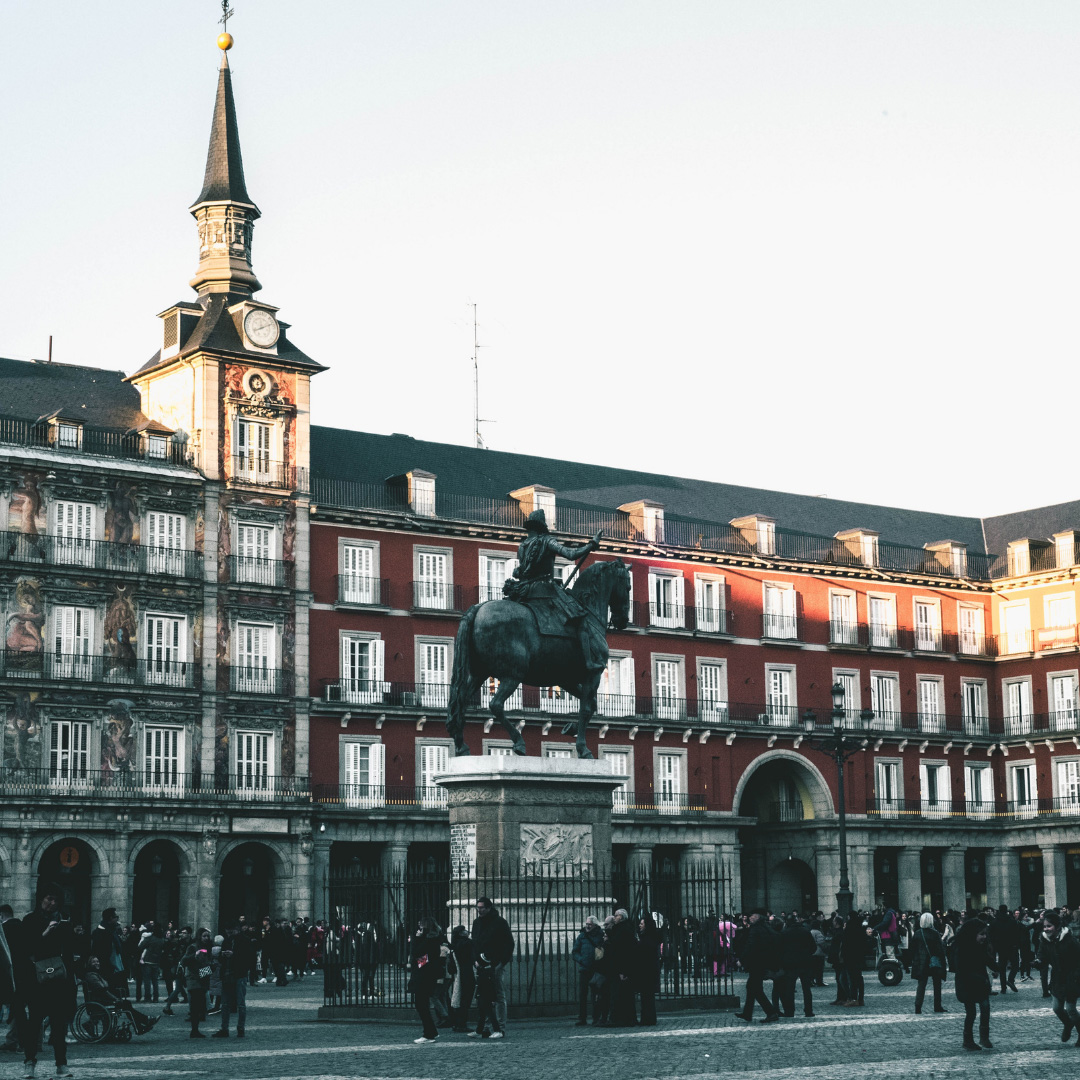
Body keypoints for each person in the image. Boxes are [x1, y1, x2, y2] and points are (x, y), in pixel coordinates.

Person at [502, 509, 605, 675]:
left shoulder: (522, 546)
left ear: (530, 527)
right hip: (545, 590)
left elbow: (521, 570)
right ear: (542, 526)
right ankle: (589, 662)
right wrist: (592, 544)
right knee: (580, 619)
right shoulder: (548, 541)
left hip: (525, 591)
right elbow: (571, 555)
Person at [23, 889, 76, 1078]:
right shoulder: (30, 920)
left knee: (58, 1024)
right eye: (49, 899)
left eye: (56, 900)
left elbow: (70, 952)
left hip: (58, 981)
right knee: (34, 1023)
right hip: (37, 981)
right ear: (41, 899)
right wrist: (45, 932)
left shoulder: (64, 922)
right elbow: (26, 948)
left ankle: (62, 1065)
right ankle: (29, 1062)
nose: (52, 903)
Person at [0, 905, 36, 1077]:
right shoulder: (23, 927)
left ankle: (14, 1041)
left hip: (8, 975)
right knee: (21, 1011)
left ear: (1, 915)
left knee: (13, 1010)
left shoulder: (4, 929)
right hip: (26, 974)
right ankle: (26, 1043)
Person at [471, 897, 514, 1036]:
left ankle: (500, 1027)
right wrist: (475, 960)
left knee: (498, 995)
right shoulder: (476, 923)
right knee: (484, 997)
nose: (479, 910)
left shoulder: (500, 922)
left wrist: (501, 963)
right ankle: (485, 1027)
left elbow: (508, 944)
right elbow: (475, 944)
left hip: (495, 964)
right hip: (480, 965)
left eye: (482, 907)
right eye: (478, 907)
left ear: (489, 908)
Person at [82, 956, 158, 1035]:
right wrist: (115, 999)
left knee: (126, 1003)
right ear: (89, 964)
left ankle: (140, 1025)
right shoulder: (91, 975)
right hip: (99, 1001)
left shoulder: (95, 974)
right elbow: (102, 990)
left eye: (97, 961)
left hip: (101, 1000)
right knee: (125, 1004)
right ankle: (143, 1022)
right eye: (94, 962)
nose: (97, 963)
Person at [954, 916, 993, 1051]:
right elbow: (963, 970)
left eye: (985, 934)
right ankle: (968, 1040)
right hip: (967, 985)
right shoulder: (963, 949)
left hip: (980, 984)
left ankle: (984, 1037)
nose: (984, 937)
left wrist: (997, 967)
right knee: (971, 1013)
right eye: (981, 934)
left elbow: (987, 960)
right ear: (972, 934)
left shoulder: (980, 946)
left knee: (985, 1007)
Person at [735, 909, 780, 1023]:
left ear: (759, 917)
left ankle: (771, 1012)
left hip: (757, 963)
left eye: (753, 915)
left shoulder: (756, 929)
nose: (750, 917)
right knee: (751, 987)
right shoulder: (766, 928)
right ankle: (747, 1013)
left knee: (755, 989)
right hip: (762, 962)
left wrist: (742, 960)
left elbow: (751, 946)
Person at [1043, 910, 1080, 1045]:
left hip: (1072, 978)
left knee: (1071, 1009)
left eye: (1049, 926)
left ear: (1057, 927)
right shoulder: (1045, 940)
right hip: (1057, 978)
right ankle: (1068, 1024)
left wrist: (1076, 975)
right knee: (1057, 1008)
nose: (1046, 929)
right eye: (1045, 926)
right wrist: (1038, 962)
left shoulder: (1069, 940)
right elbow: (1042, 956)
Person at [214, 920, 253, 1038]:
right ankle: (224, 1028)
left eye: (231, 932)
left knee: (240, 1003)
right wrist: (222, 955)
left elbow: (249, 958)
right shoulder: (227, 940)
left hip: (239, 974)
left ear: (237, 929)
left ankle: (240, 1028)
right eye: (228, 932)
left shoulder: (245, 941)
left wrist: (234, 955)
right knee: (225, 1004)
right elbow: (221, 959)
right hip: (226, 974)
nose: (229, 934)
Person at [409, 918, 445, 1044]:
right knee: (422, 1004)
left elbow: (417, 953)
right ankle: (431, 1031)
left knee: (421, 1005)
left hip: (423, 976)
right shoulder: (433, 938)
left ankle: (429, 1033)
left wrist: (416, 939)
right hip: (426, 974)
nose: (418, 925)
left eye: (421, 923)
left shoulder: (428, 939)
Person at [772, 915, 814, 1018]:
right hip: (805, 963)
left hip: (790, 964)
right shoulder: (805, 931)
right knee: (807, 989)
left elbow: (780, 949)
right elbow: (813, 947)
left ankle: (790, 1012)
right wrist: (807, 954)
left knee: (790, 989)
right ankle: (808, 1011)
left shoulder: (785, 933)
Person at [604, 909, 637, 1027]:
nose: (614, 917)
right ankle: (624, 1019)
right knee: (621, 994)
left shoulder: (624, 930)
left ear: (621, 917)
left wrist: (623, 971)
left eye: (616, 915)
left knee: (622, 995)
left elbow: (623, 952)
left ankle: (623, 1019)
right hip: (619, 968)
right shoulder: (622, 929)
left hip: (621, 968)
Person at [911, 912, 948, 1015]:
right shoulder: (935, 933)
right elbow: (940, 949)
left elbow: (913, 949)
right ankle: (937, 1006)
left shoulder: (918, 933)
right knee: (937, 984)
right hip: (934, 962)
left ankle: (918, 1007)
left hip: (922, 963)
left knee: (921, 985)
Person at [572, 916, 604, 1027]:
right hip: (584, 969)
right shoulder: (582, 936)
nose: (587, 926)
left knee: (595, 995)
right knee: (582, 995)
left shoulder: (600, 935)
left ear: (595, 925)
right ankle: (582, 1017)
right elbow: (575, 951)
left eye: (589, 924)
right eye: (586, 924)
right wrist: (581, 960)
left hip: (596, 969)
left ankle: (596, 1017)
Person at [181, 928, 213, 1038]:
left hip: (203, 977)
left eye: (208, 936)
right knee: (195, 1006)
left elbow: (207, 964)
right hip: (194, 979)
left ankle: (196, 1029)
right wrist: (195, 955)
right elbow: (183, 961)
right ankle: (194, 1030)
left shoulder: (207, 948)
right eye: (204, 936)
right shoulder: (193, 947)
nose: (206, 938)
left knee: (200, 1006)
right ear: (199, 936)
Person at [90, 907, 126, 996]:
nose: (117, 918)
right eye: (116, 916)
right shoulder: (101, 932)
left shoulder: (112, 931)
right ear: (110, 918)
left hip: (115, 967)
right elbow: (100, 952)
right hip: (107, 968)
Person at [448, 925, 474, 1033]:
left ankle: (457, 1023)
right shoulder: (468, 943)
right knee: (466, 999)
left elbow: (451, 967)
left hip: (458, 974)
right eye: (464, 930)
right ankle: (462, 1024)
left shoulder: (454, 946)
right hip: (467, 973)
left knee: (458, 999)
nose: (467, 931)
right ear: (461, 933)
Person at [637, 914, 662, 1026]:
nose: (639, 925)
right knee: (648, 997)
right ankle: (649, 1018)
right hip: (650, 971)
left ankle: (647, 1018)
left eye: (642, 924)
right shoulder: (650, 938)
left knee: (646, 997)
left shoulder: (647, 939)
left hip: (646, 972)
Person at [990, 905, 1020, 994]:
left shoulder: (994, 922)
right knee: (1015, 965)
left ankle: (1003, 988)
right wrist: (1016, 945)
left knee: (1002, 968)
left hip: (1000, 948)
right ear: (1006, 910)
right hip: (1011, 947)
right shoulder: (1012, 921)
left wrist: (994, 947)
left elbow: (991, 936)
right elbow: (1016, 934)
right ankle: (1011, 979)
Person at [840, 912, 866, 1007]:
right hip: (859, 956)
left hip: (850, 956)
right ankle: (861, 999)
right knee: (859, 977)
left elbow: (845, 943)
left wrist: (843, 955)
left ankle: (853, 998)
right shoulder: (860, 927)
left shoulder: (849, 928)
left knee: (852, 978)